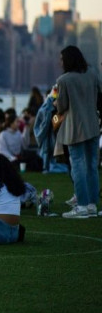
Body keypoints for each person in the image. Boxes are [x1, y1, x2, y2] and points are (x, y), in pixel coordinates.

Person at [55, 46, 101, 218]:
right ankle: (91, 205)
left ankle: (80, 205)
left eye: (61, 59)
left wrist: (55, 103)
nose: (60, 62)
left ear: (67, 60)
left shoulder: (63, 80)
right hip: (93, 126)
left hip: (74, 128)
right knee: (92, 166)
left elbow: (61, 107)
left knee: (78, 166)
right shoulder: (92, 74)